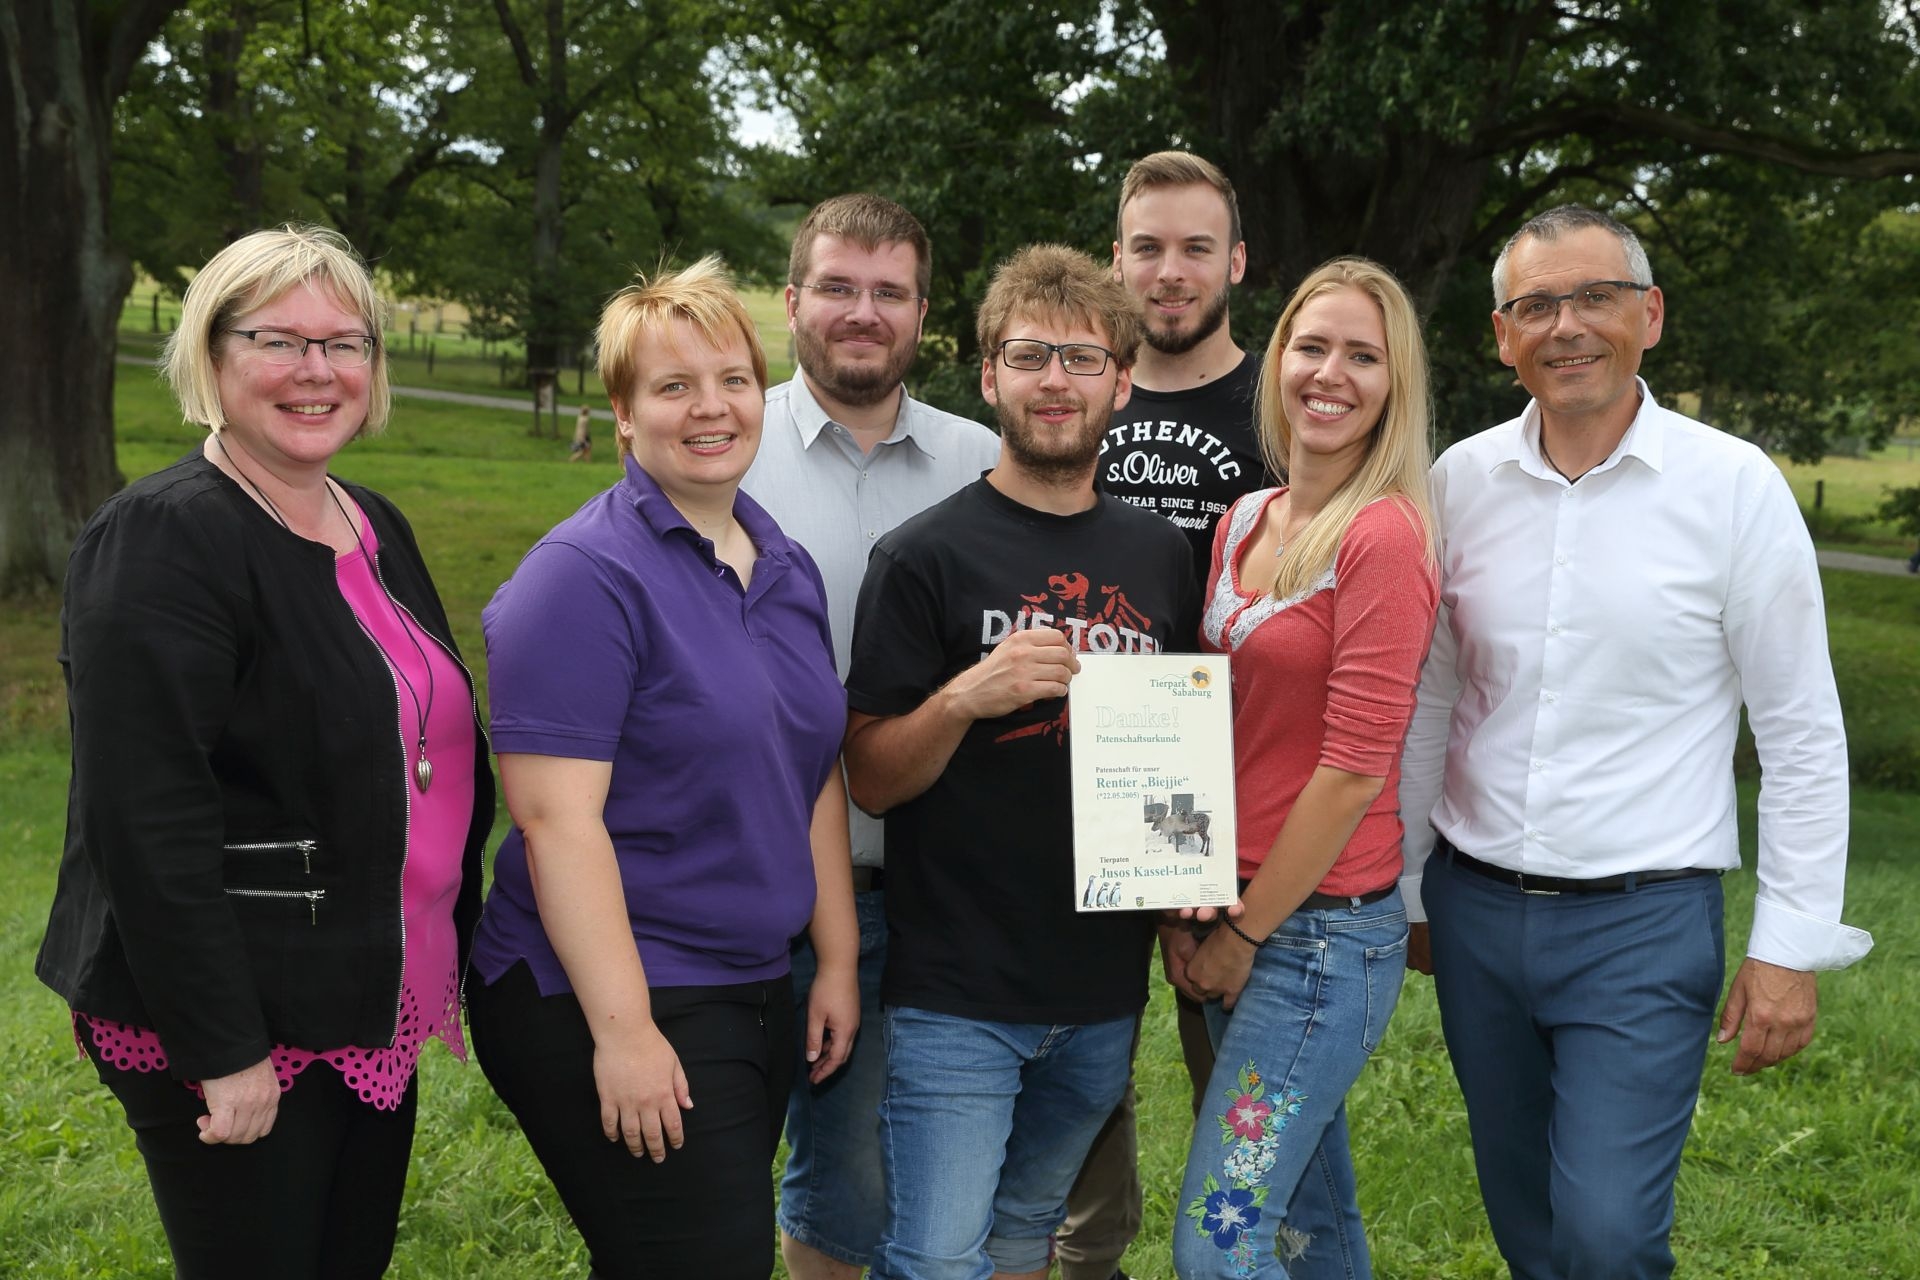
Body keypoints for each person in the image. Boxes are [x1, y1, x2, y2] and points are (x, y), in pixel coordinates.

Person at [1396, 205, 1875, 1279]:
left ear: (1649, 314)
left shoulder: (1734, 488)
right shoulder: (1456, 484)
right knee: (1525, 1217)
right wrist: (1415, 888)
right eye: (1537, 305)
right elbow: (1433, 699)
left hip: (1644, 927)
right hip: (1477, 914)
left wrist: (1791, 944)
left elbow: (1800, 731)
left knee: (1608, 1235)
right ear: (1502, 335)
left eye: (1597, 297)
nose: (1568, 325)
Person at [35, 224, 495, 1278]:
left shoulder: (371, 521)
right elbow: (145, 819)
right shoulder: (163, 536)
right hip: (245, 1015)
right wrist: (223, 1048)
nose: (315, 370)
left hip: (364, 993)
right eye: (278, 340)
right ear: (212, 354)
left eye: (344, 343)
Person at [462, 256, 858, 1279]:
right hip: (610, 984)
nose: (711, 407)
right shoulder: (580, 577)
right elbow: (555, 822)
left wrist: (836, 959)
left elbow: (812, 766)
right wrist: (627, 1031)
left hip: (751, 981)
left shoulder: (782, 564)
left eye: (733, 379)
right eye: (674, 386)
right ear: (624, 413)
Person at [843, 244, 1199, 1280]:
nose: (1056, 381)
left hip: (1101, 990)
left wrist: (1183, 898)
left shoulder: (1160, 554)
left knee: (1022, 1235)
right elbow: (870, 776)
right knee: (936, 1255)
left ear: (1121, 383)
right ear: (989, 375)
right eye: (1030, 355)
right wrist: (965, 695)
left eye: (1083, 358)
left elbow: (1176, 756)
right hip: (956, 992)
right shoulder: (922, 556)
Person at [741, 192, 1002, 1280]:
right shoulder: (727, 438)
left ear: (923, 315)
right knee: (706, 1173)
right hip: (740, 880)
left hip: (914, 886)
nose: (863, 312)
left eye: (889, 292)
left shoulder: (980, 458)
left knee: (856, 1182)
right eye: (838, 287)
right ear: (792, 300)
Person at [1169, 259, 1438, 1279]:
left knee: (1220, 1236)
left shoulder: (1384, 537)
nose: (1330, 374)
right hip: (1229, 905)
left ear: (1394, 384)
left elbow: (1354, 769)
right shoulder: (1244, 518)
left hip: (1315, 941)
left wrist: (1243, 935)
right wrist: (1182, 900)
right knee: (1310, 1226)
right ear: (1277, 358)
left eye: (1363, 356)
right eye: (1311, 346)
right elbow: (1207, 724)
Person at [1062, 149, 1272, 1280]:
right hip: (1078, 777)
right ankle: (1085, 1255)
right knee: (1074, 1080)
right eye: (1147, 247)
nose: (1170, 271)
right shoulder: (1072, 389)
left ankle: (1245, 1249)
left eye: (1197, 247)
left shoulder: (1284, 403)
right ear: (1117, 258)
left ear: (1235, 262)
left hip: (1230, 794)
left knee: (1240, 1084)